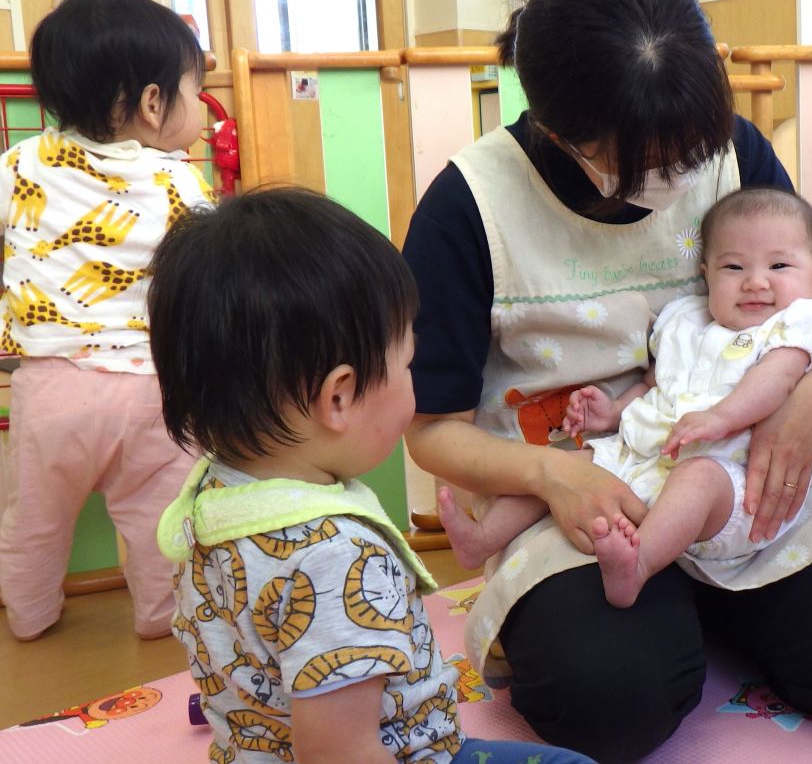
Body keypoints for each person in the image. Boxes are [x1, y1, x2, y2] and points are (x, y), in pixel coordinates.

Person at [401, 0, 812, 761]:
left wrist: (809, 400)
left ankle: (708, 598)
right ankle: (670, 610)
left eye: (687, 152)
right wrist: (552, 475)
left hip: (735, 471)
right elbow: (430, 427)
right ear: (556, 129)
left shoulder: (734, 151)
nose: (675, 176)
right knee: (610, 704)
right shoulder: (469, 203)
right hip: (583, 487)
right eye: (642, 164)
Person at [148, 188, 596, 763]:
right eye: (406, 365)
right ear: (339, 397)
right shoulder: (338, 558)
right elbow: (343, 754)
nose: (414, 383)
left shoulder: (209, 499)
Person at [439, 188, 812, 609]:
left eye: (778, 265)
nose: (755, 281)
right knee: (569, 467)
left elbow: (777, 380)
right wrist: (610, 413)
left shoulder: (796, 323)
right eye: (734, 266)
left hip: (732, 481)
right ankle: (483, 539)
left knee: (698, 478)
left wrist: (722, 416)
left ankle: (639, 563)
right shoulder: (686, 319)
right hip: (645, 462)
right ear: (706, 273)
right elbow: (653, 386)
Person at [0, 0, 216, 642]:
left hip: (50, 387)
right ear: (153, 104)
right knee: (164, 520)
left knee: (33, 519)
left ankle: (31, 617)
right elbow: (208, 278)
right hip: (156, 389)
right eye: (195, 92)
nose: (202, 109)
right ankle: (163, 620)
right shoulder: (179, 181)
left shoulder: (15, 167)